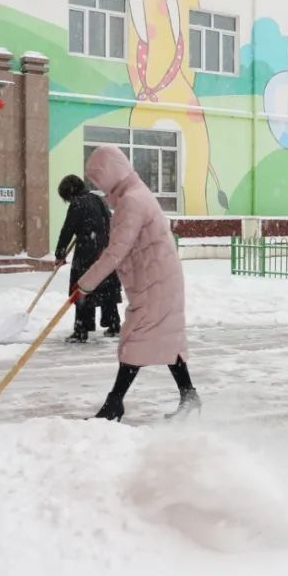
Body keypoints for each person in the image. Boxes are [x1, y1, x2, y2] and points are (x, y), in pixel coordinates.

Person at [74, 146, 200, 422]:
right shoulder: (133, 195)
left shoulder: (132, 200)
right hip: (157, 280)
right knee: (165, 338)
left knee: (136, 339)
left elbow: (116, 252)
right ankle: (189, 396)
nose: (97, 187)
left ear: (109, 174)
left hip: (156, 283)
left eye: (98, 180)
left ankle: (113, 404)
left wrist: (84, 285)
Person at [55, 174, 122, 343]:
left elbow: (67, 230)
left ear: (70, 194)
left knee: (83, 290)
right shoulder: (99, 200)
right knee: (107, 289)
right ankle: (114, 324)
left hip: (87, 254)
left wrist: (60, 254)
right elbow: (109, 222)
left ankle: (81, 329)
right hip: (105, 252)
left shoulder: (77, 204)